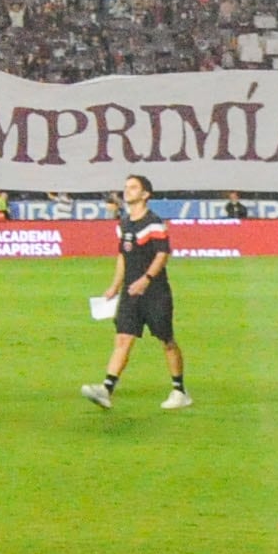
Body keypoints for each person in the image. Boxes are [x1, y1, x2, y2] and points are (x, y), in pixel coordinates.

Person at [84, 173, 188, 411]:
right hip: (131, 292)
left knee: (166, 340)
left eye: (132, 187)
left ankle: (179, 390)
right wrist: (115, 286)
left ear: (145, 194)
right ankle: (106, 389)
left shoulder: (154, 223)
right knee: (123, 338)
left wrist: (146, 279)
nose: (127, 191)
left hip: (155, 292)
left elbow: (163, 254)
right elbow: (123, 256)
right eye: (126, 187)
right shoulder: (124, 223)